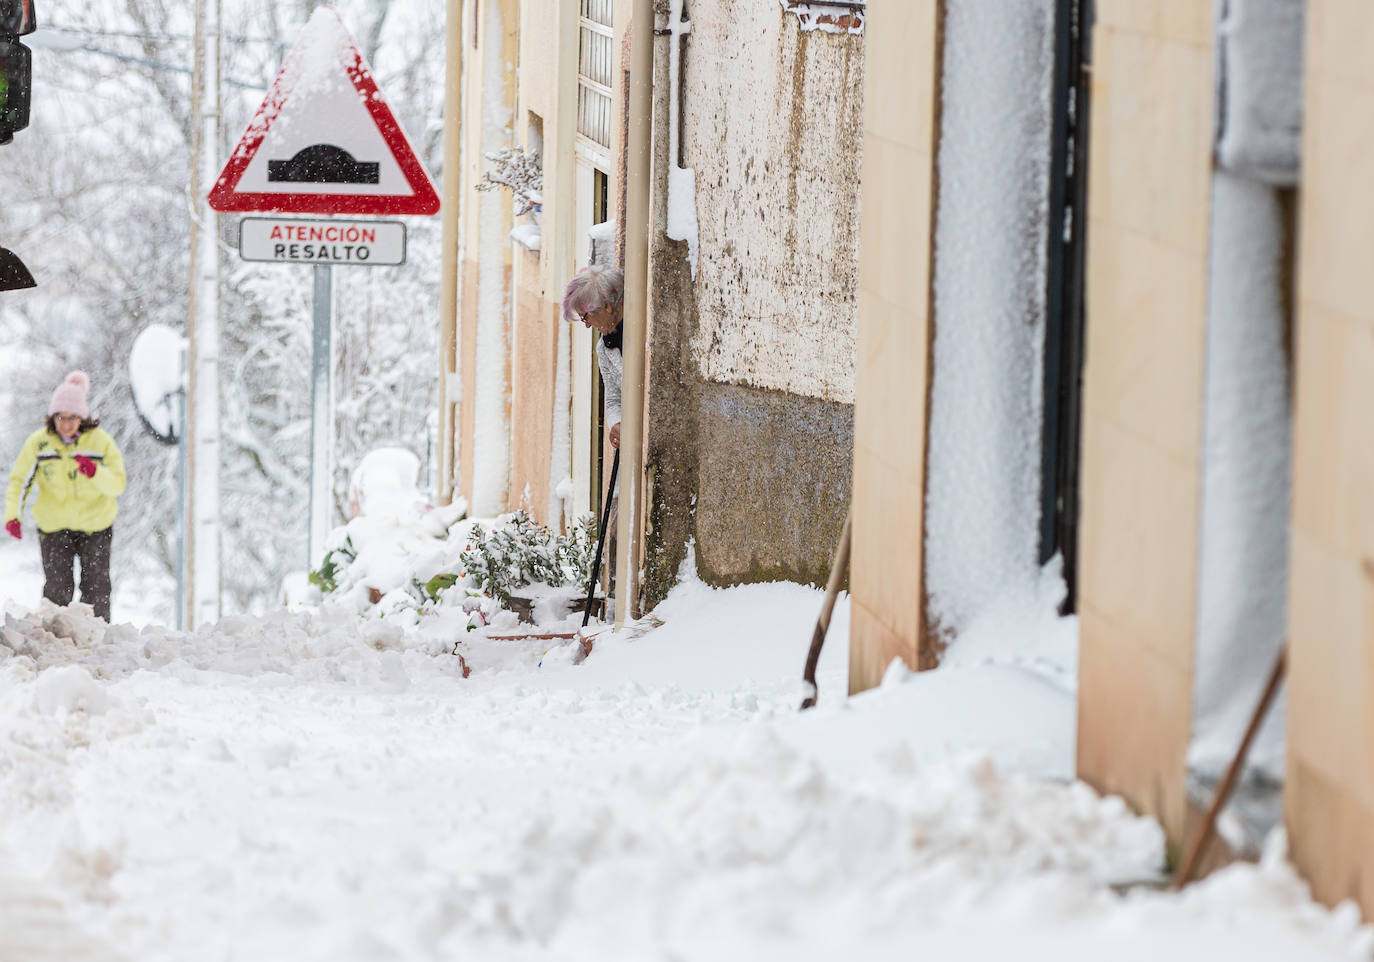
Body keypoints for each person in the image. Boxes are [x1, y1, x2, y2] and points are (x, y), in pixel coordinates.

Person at [4, 371, 127, 621]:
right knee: (57, 591)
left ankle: (97, 638)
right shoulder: (39, 444)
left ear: (82, 418)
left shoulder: (100, 442)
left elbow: (118, 484)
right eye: (61, 418)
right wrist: (13, 516)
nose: (66, 424)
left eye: (73, 418)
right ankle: (55, 641)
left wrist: (95, 472)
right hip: (54, 528)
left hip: (96, 526)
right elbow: (19, 481)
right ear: (53, 418)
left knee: (96, 588)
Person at [561, 264, 624, 449]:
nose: (587, 325)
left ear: (606, 307)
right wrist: (617, 423)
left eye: (585, 317)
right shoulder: (605, 348)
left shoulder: (642, 334)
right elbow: (613, 400)